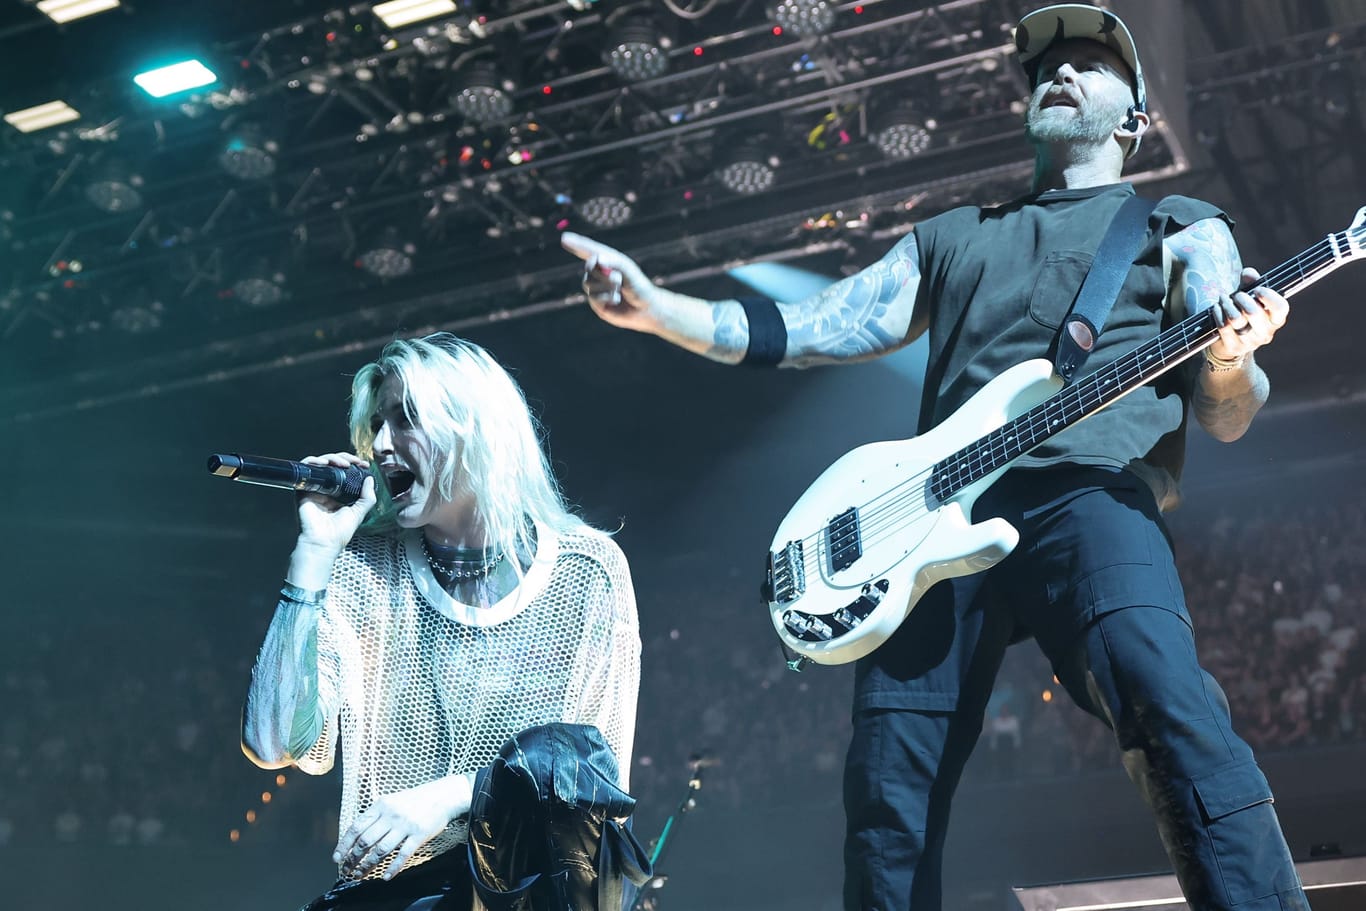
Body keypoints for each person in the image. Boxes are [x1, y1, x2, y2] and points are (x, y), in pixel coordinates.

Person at [561, 4, 1309, 910]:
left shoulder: (1184, 227)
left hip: (1091, 495)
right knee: (888, 792)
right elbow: (815, 327)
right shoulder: (957, 235)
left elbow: (1229, 414)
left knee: (1169, 706)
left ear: (1135, 119)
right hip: (926, 522)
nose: (1058, 73)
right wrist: (659, 309)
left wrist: (1230, 357)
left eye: (1088, 63)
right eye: (1046, 65)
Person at [241, 332, 649, 911]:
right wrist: (313, 554)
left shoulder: (587, 572)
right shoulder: (364, 568)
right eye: (377, 424)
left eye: (406, 419)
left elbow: (592, 781)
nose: (382, 444)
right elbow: (273, 743)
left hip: (532, 895)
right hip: (395, 897)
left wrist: (455, 795)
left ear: (476, 429)